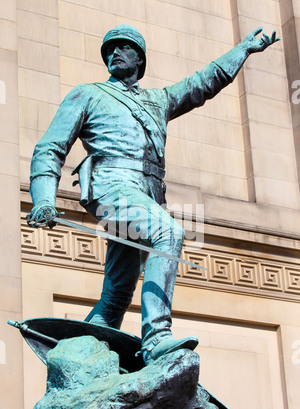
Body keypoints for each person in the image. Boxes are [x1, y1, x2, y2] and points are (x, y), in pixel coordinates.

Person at [26, 25, 280, 365]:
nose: (113, 53)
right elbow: (49, 149)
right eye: (109, 49)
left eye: (123, 47)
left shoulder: (158, 101)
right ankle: (157, 336)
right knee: (168, 232)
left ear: (139, 59)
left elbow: (204, 82)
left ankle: (78, 355)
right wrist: (44, 198)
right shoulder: (87, 94)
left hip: (146, 195)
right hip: (111, 187)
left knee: (117, 293)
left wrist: (243, 50)